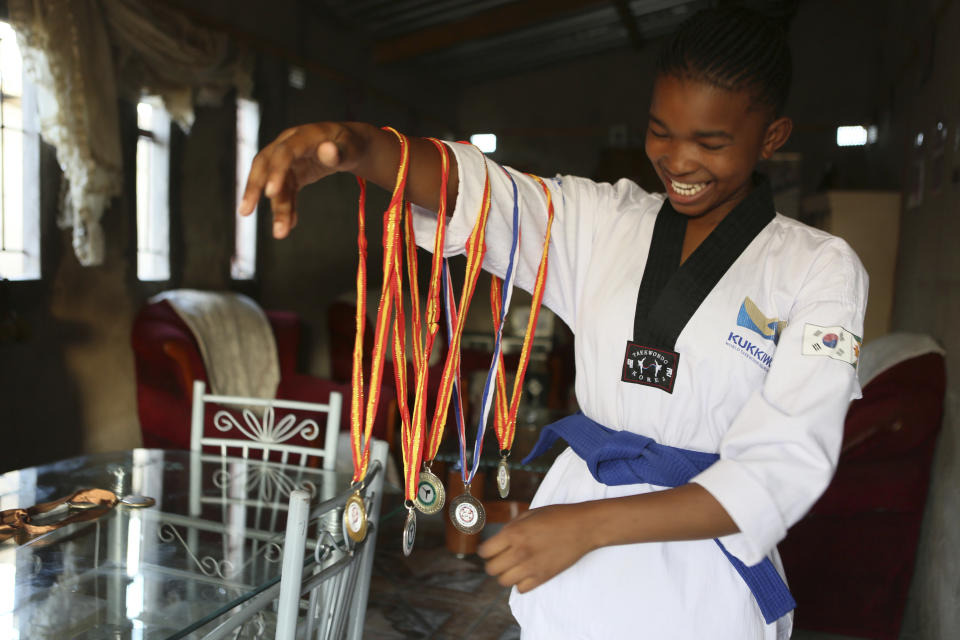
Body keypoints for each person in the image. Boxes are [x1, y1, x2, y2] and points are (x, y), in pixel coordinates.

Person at [239, 7, 867, 639]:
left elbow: (783, 464)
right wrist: (359, 147)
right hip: (573, 555)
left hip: (701, 579)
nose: (678, 160)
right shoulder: (605, 221)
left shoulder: (817, 268)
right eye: (660, 132)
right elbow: (486, 194)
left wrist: (589, 528)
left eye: (711, 142)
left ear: (772, 136)